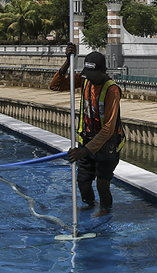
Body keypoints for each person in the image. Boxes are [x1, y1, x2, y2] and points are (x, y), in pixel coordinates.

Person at [50, 43, 122, 216]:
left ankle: (105, 211)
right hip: (87, 140)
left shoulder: (111, 90)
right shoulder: (85, 80)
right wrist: (68, 62)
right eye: (87, 74)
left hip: (107, 144)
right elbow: (55, 86)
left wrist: (84, 151)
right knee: (83, 182)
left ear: (103, 72)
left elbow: (108, 128)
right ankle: (89, 205)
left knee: (102, 184)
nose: (90, 78)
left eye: (93, 75)